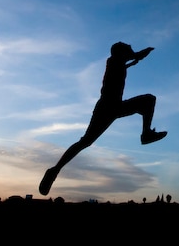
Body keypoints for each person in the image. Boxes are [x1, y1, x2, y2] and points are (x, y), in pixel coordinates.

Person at [39, 42, 167, 196]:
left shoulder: (117, 63)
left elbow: (129, 61)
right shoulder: (114, 61)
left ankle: (146, 134)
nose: (131, 50)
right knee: (85, 141)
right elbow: (132, 57)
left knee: (148, 100)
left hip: (115, 107)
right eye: (128, 49)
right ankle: (54, 170)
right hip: (107, 107)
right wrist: (143, 52)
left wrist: (135, 59)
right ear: (121, 53)